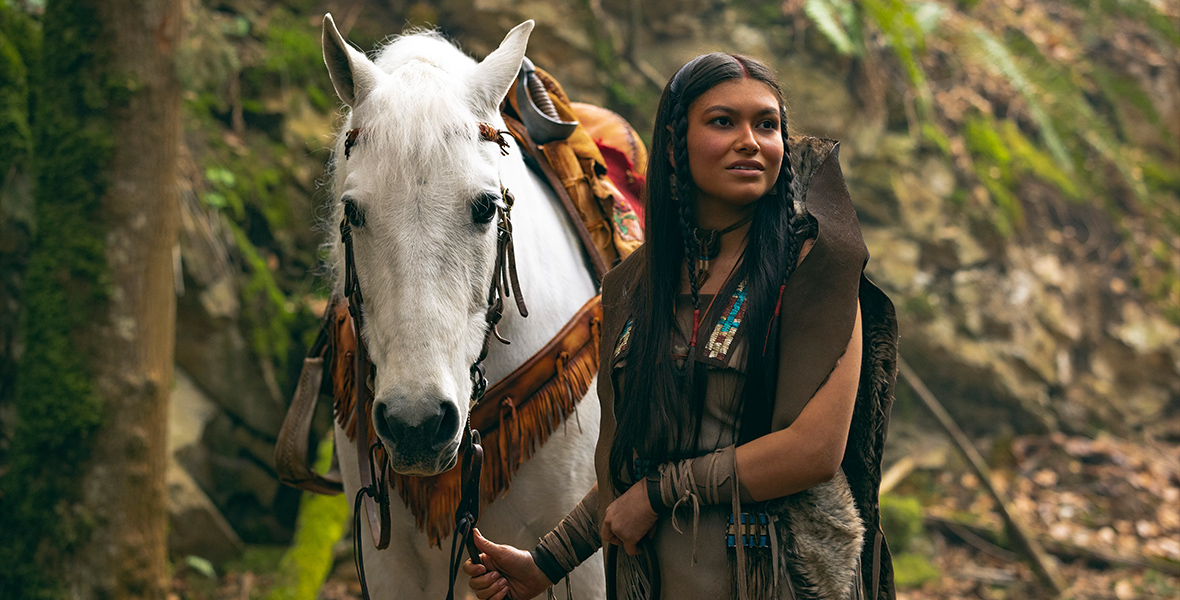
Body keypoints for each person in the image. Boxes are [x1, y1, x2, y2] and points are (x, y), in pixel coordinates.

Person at [464, 52, 899, 600]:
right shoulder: (632, 287)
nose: (750, 140)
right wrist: (546, 563)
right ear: (675, 145)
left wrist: (661, 492)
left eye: (767, 124)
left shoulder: (816, 269)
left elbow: (813, 451)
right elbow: (629, 464)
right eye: (723, 122)